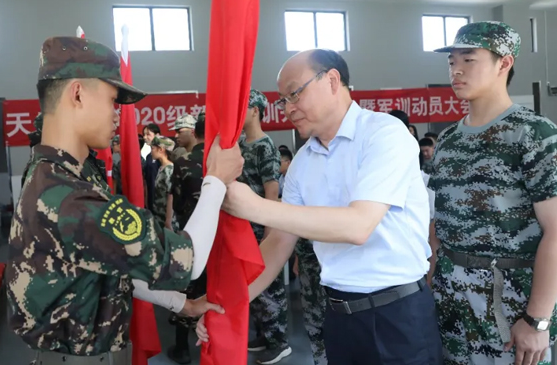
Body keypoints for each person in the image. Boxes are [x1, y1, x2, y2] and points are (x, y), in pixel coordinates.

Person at [6, 36, 244, 365]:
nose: (117, 115)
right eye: (112, 100)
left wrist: (182, 305)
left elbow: (113, 262)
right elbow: (189, 260)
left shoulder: (54, 174)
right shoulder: (70, 197)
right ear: (77, 93)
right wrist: (216, 178)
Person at [198, 49, 442, 364]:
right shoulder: (303, 162)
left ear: (331, 80)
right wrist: (228, 303)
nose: (287, 108)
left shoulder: (383, 134)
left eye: (294, 93)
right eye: (282, 100)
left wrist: (254, 207)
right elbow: (277, 243)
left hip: (396, 314)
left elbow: (358, 226)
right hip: (339, 315)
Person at [429, 21, 557, 364]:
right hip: (451, 303)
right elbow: (438, 222)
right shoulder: (448, 140)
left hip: (511, 307)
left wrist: (538, 319)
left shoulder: (533, 134)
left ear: (504, 62)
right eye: (452, 61)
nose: (456, 70)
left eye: (468, 60)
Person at [239, 89, 291, 364]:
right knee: (253, 283)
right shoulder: (240, 144)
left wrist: (269, 231)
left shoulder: (265, 145)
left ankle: (279, 340)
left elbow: (271, 191)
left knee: (269, 286)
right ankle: (263, 334)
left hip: (261, 225)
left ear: (256, 110)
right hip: (243, 226)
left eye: (244, 107)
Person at [167, 113, 207, 364]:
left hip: (192, 239)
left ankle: (182, 348)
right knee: (216, 291)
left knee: (187, 291)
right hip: (220, 241)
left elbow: (179, 204)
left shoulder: (182, 164)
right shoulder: (220, 162)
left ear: (194, 131)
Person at [150, 136, 178, 230]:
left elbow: (171, 195)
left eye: (153, 148)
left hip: (166, 219)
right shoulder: (162, 168)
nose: (151, 151)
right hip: (159, 216)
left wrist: (168, 220)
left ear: (161, 149)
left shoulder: (169, 169)